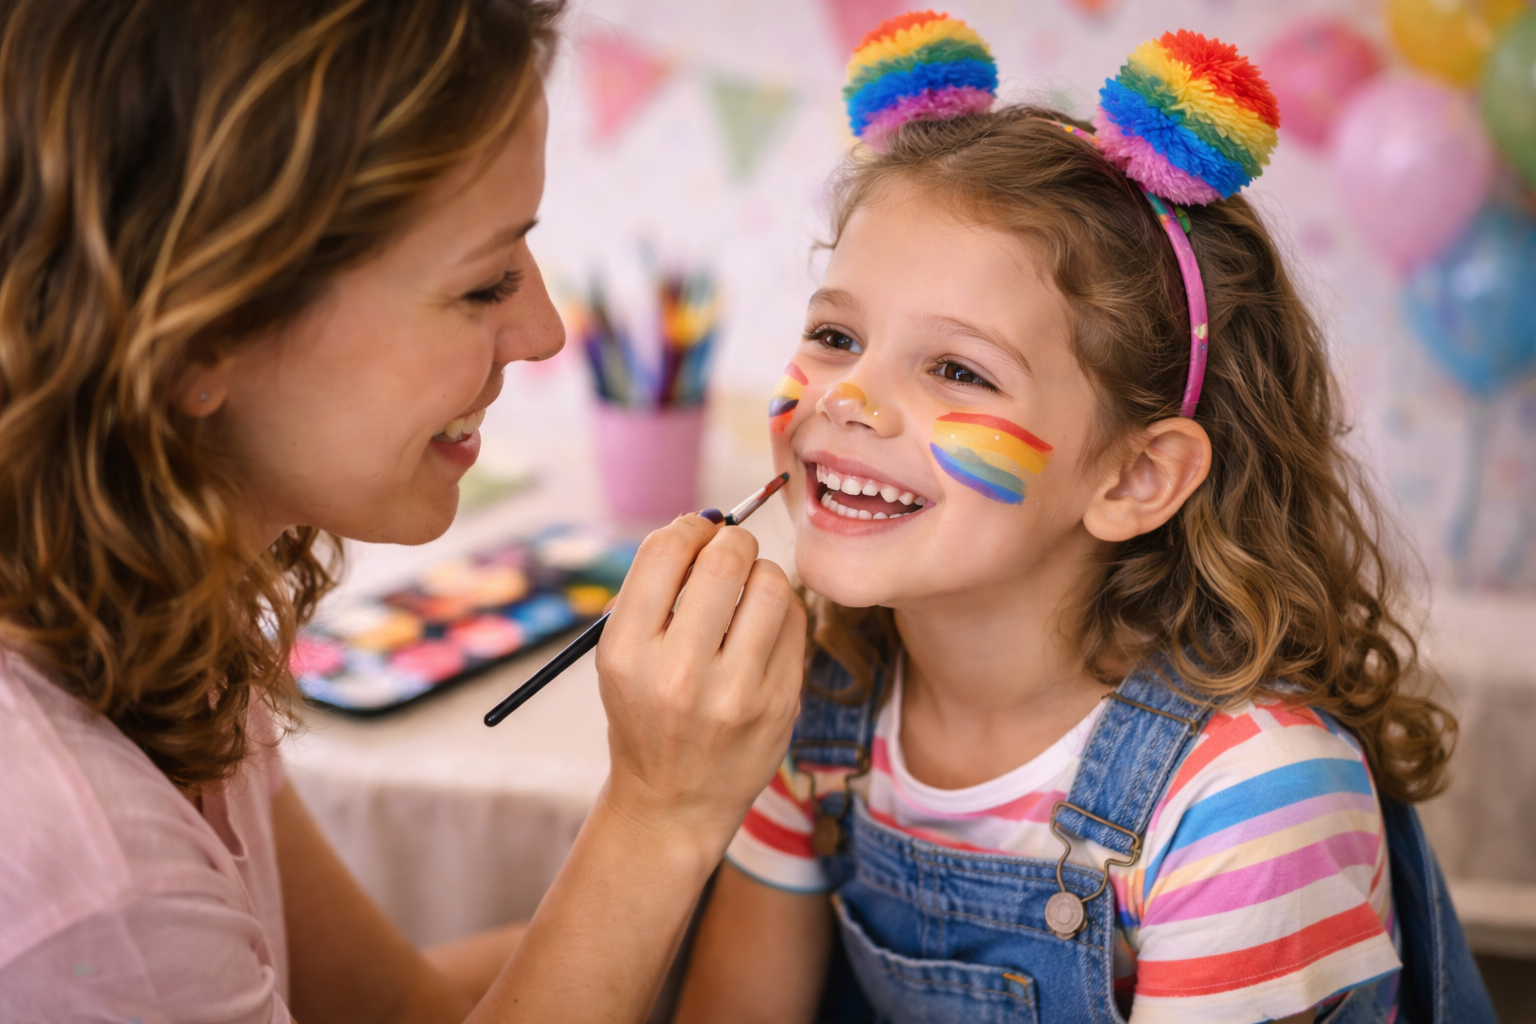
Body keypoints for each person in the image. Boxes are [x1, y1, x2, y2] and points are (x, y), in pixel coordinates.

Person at [675, 13, 1495, 1024]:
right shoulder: (812, 702)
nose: (847, 398)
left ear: (1136, 477)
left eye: (957, 369)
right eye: (837, 336)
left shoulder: (1246, 794)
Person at [0, 1, 806, 1021]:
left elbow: (396, 1008)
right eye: (484, 284)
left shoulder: (159, 629)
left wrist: (763, 906)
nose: (546, 333)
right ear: (201, 336)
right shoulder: (87, 877)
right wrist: (661, 815)